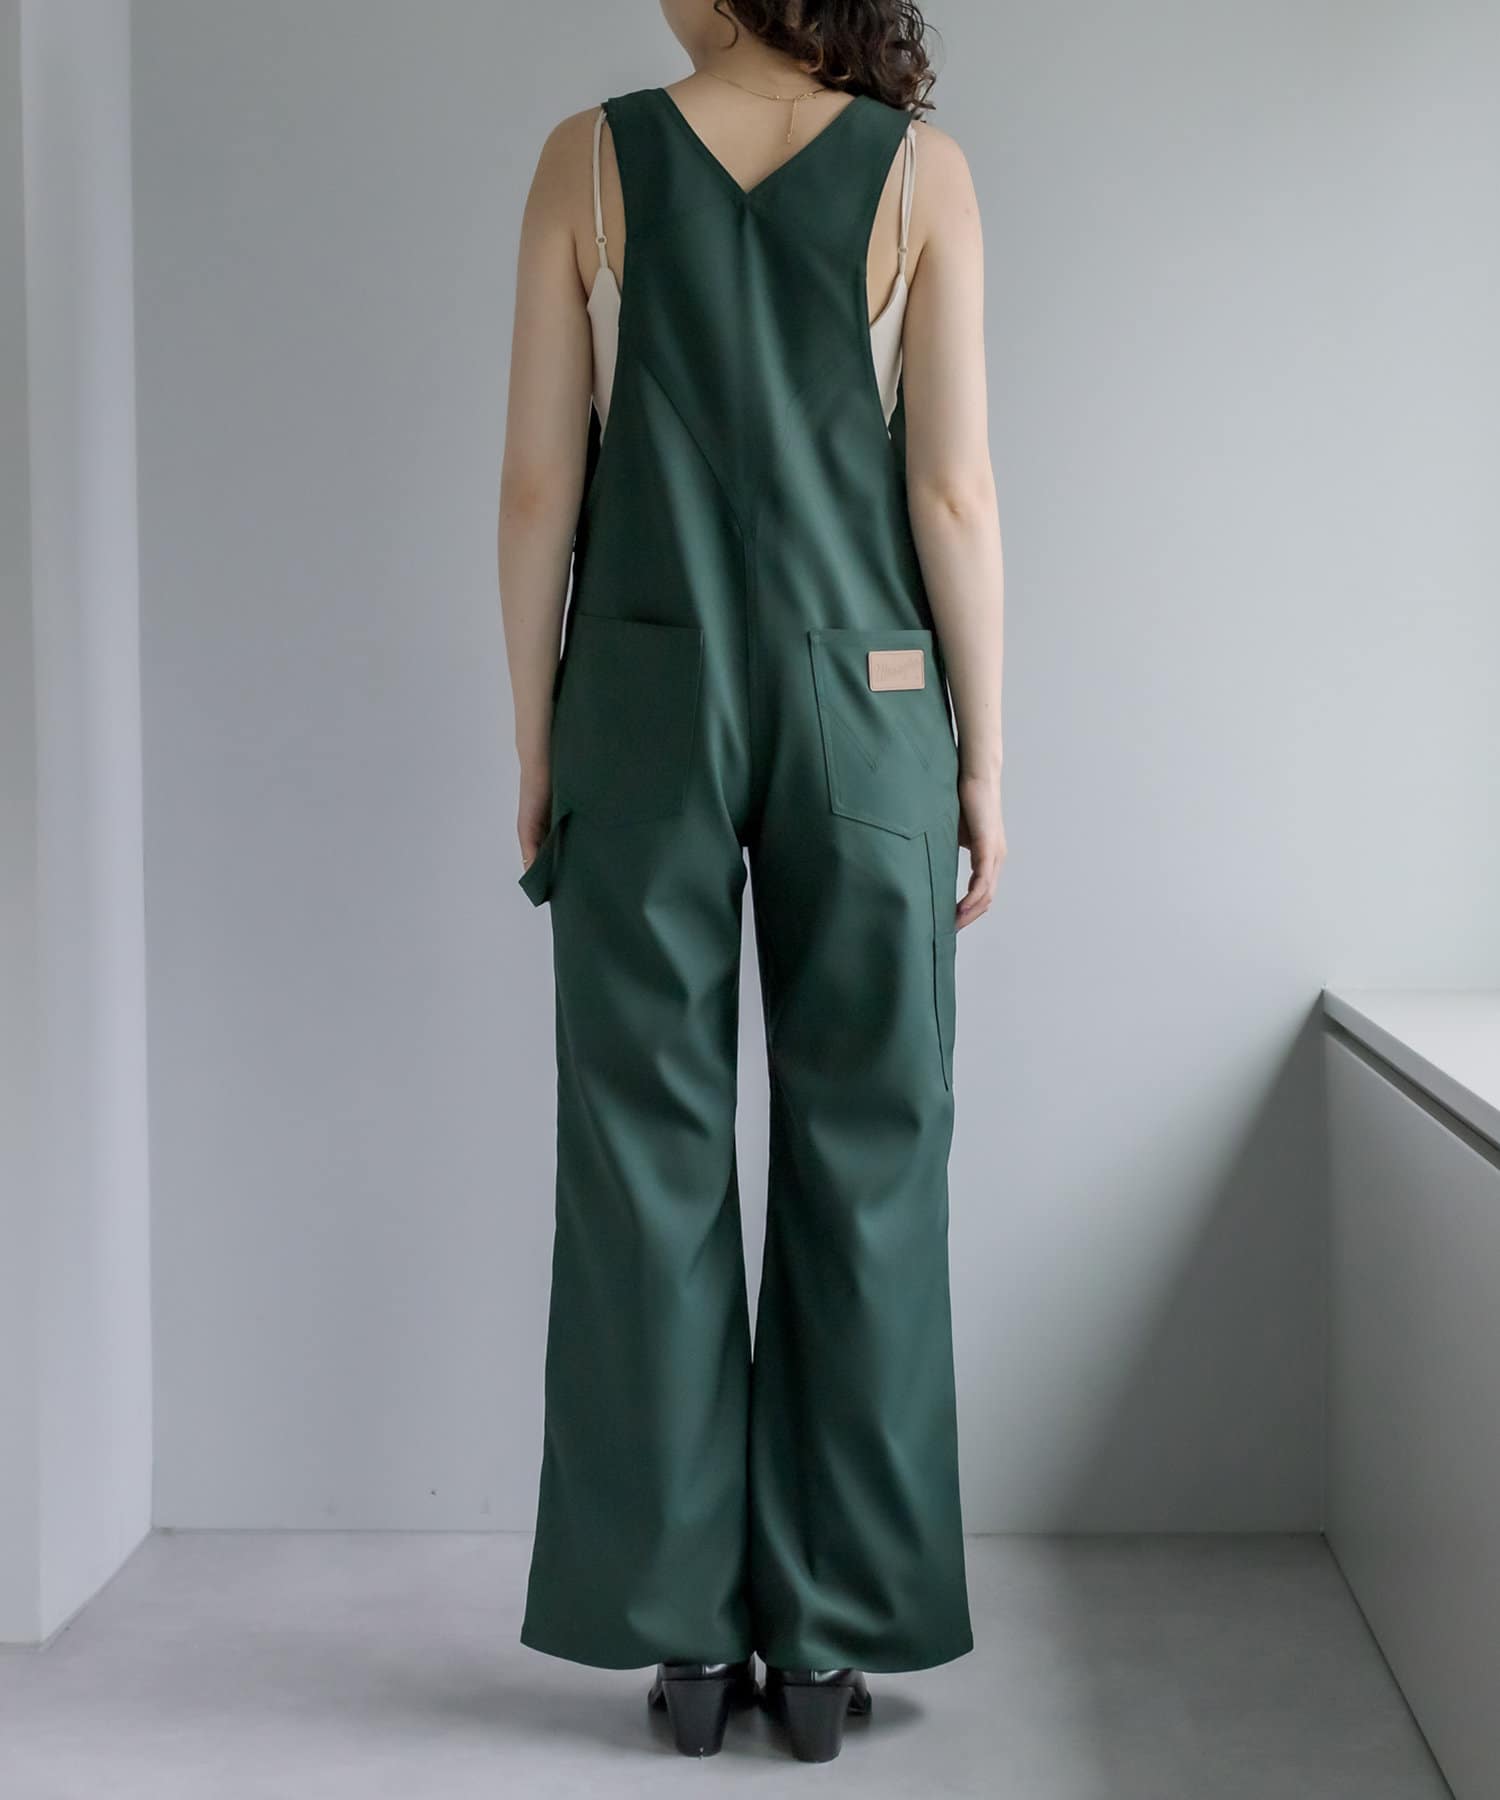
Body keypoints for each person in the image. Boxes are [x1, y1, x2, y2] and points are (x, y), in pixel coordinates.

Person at [497, 0, 1005, 1764]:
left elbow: (539, 487)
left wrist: (537, 738)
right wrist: (984, 757)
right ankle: (826, 1639)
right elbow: (951, 492)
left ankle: (687, 1634)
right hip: (868, 693)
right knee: (873, 1149)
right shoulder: (922, 175)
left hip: (643, 698)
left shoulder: (589, 159)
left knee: (643, 1147)